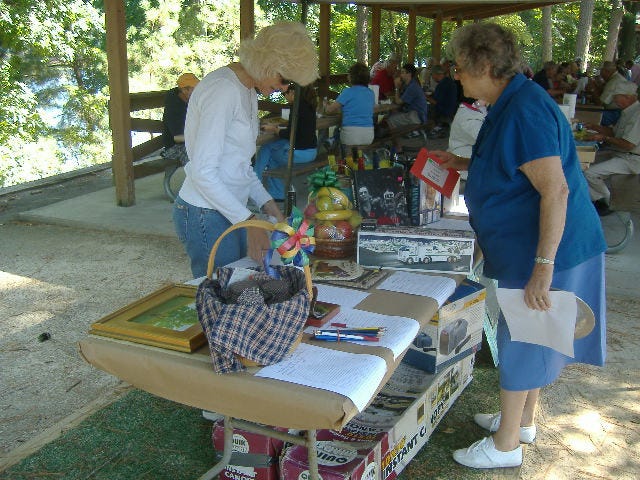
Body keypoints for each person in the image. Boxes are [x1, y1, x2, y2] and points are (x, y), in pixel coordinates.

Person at [431, 22, 607, 470]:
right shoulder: (510, 100)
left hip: (548, 251)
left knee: (524, 341)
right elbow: (514, 166)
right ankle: (522, 421)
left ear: (486, 66)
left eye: (460, 68)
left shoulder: (525, 109)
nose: (456, 76)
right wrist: (463, 163)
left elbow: (555, 191)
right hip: (531, 248)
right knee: (536, 336)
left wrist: (542, 268)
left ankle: (506, 446)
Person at [173, 22, 318, 278]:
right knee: (221, 297)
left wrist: (273, 210)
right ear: (266, 62)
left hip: (230, 210)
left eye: (289, 84)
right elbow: (203, 172)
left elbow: (241, 167)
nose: (284, 88)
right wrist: (249, 221)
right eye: (284, 79)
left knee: (240, 288)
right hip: (205, 213)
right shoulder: (223, 90)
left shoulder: (248, 89)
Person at [583, 80, 640, 216]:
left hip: (632, 160)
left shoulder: (637, 114)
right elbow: (615, 133)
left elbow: (628, 144)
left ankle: (608, 202)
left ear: (628, 97)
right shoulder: (628, 111)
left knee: (590, 173)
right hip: (622, 153)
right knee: (585, 163)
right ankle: (595, 199)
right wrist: (595, 127)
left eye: (616, 97)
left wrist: (604, 138)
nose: (614, 101)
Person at [254, 85, 318, 200]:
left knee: (269, 154)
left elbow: (290, 135)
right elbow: (297, 131)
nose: (284, 96)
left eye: (285, 94)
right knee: (270, 147)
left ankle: (256, 183)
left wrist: (274, 129)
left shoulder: (297, 107)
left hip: (300, 154)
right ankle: (272, 190)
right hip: (312, 151)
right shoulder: (309, 105)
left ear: (293, 93)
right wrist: (277, 128)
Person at [325, 62, 376, 150]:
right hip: (368, 134)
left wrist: (325, 104)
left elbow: (329, 111)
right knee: (359, 158)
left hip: (351, 135)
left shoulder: (347, 92)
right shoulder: (371, 93)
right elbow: (359, 108)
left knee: (347, 156)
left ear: (352, 77)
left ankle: (331, 144)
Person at [161, 72, 200, 165]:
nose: (198, 91)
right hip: (174, 148)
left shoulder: (191, 102)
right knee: (199, 157)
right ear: (185, 90)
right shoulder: (174, 107)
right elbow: (177, 138)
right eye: (195, 89)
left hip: (190, 142)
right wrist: (201, 138)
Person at [387, 63, 429, 130]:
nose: (401, 75)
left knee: (390, 119)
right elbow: (401, 98)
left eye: (403, 72)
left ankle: (395, 136)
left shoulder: (412, 87)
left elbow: (398, 101)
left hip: (417, 116)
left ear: (409, 74)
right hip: (414, 113)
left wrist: (396, 87)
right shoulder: (409, 84)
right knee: (393, 113)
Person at [426, 64, 458, 134]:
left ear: (436, 74)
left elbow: (436, 102)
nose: (432, 77)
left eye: (432, 75)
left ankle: (433, 127)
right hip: (452, 110)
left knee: (425, 108)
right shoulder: (449, 82)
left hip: (445, 111)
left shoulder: (442, 85)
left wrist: (426, 97)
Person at [597, 61, 627, 125]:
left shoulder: (614, 81)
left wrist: (592, 89)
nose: (601, 75)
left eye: (601, 72)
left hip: (615, 114)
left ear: (606, 71)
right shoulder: (617, 78)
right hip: (620, 112)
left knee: (590, 115)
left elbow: (600, 103)